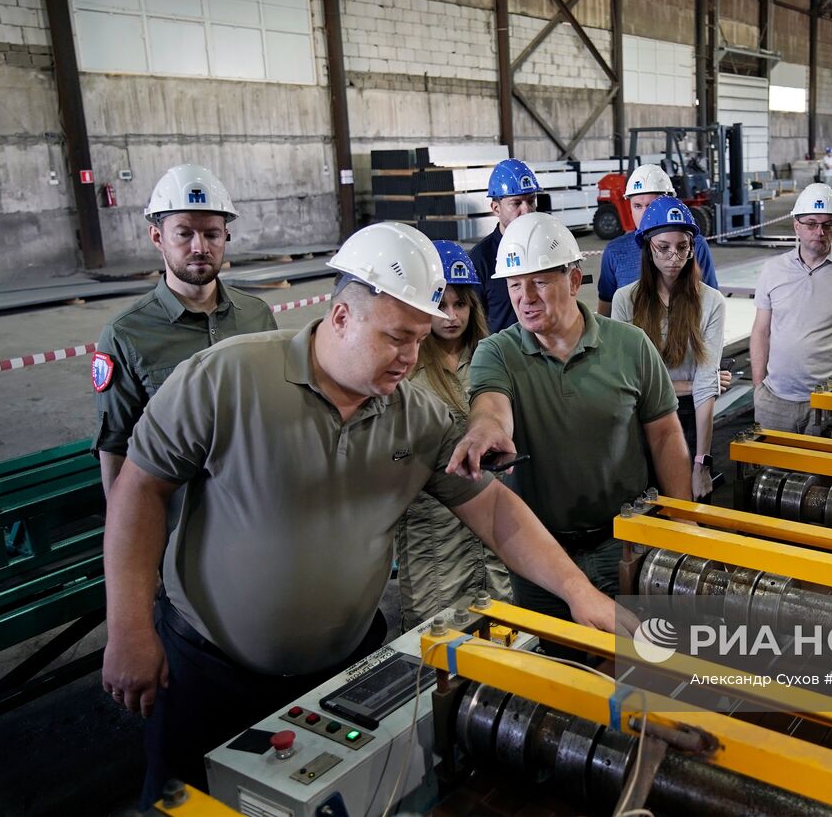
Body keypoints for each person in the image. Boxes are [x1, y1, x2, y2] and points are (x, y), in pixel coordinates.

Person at [100, 222, 620, 806]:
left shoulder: (415, 419)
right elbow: (139, 492)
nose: (411, 358)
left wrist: (578, 592)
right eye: (397, 337)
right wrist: (127, 629)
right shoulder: (227, 379)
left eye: (421, 339)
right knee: (184, 800)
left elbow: (496, 512)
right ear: (342, 316)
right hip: (206, 672)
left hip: (344, 680)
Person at [447, 212, 692, 626]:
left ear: (575, 280)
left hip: (628, 544)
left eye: (539, 282)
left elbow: (666, 433)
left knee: (643, 657)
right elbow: (490, 406)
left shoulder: (629, 345)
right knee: (556, 671)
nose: (525, 297)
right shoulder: (497, 352)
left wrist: (683, 525)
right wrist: (486, 430)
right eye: (514, 285)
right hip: (541, 554)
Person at [92, 164, 276, 499]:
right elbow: (116, 445)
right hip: (177, 516)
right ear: (157, 237)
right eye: (184, 233)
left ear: (226, 236)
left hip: (255, 503)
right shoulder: (126, 334)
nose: (199, 247)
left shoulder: (256, 315)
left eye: (212, 234)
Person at [395, 240, 512, 629]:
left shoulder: (491, 358)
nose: (451, 316)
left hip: (493, 517)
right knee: (439, 641)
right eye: (439, 305)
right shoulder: (406, 372)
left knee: (502, 626)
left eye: (460, 304)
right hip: (434, 531)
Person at [611, 198, 725, 501]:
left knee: (690, 511)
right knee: (643, 513)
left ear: (692, 248)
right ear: (648, 247)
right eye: (663, 247)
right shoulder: (625, 301)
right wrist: (684, 385)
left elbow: (705, 383)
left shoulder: (711, 302)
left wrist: (702, 461)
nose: (674, 257)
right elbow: (625, 380)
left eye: (682, 247)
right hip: (639, 420)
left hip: (690, 420)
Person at [750, 184, 832, 435]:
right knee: (771, 472)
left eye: (828, 224)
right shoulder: (773, 270)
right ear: (796, 225)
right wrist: (758, 386)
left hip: (829, 400)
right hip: (776, 400)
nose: (819, 232)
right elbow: (760, 331)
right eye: (811, 223)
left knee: (823, 472)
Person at [596, 164, 718, 317]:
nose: (645, 214)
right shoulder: (615, 251)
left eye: (651, 206)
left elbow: (711, 303)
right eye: (637, 206)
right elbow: (606, 311)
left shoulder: (696, 245)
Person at [470, 158, 541, 333]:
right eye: (516, 203)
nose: (527, 210)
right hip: (504, 357)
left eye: (531, 200)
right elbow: (472, 323)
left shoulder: (547, 247)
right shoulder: (481, 259)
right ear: (496, 208)